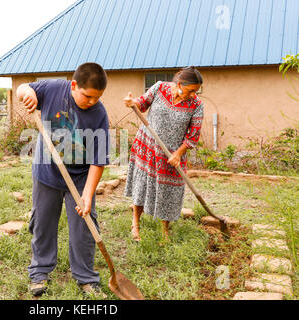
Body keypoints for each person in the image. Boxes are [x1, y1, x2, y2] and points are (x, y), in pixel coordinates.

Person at [17, 62, 110, 297]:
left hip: (79, 179)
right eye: (87, 96)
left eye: (97, 98)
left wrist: (87, 195)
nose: (92, 102)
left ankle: (86, 277)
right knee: (43, 222)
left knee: (84, 227)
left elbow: (98, 160)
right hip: (46, 173)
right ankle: (39, 273)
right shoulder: (53, 88)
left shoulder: (99, 114)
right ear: (74, 85)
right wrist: (26, 93)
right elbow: (23, 87)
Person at [123, 66, 204, 243]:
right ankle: (135, 223)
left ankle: (164, 231)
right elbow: (142, 103)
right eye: (191, 90)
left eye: (196, 92)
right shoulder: (159, 88)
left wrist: (178, 153)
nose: (193, 94)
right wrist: (132, 102)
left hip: (172, 156)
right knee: (142, 186)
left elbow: (193, 136)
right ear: (181, 84)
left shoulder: (196, 105)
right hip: (147, 147)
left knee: (169, 191)